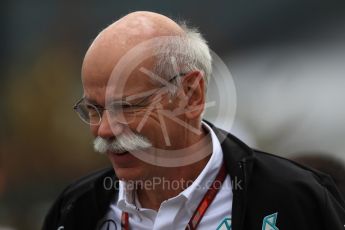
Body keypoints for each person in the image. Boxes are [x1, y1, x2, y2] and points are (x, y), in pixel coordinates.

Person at [43, 11, 345, 230]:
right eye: (93, 110)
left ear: (192, 95)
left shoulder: (295, 201)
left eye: (127, 107)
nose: (105, 129)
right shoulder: (74, 211)